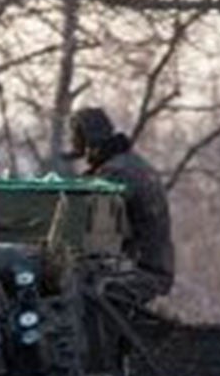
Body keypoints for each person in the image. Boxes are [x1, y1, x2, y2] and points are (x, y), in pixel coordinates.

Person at [69, 105, 173, 303]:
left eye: (77, 137)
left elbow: (98, 239)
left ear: (89, 139)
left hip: (142, 273)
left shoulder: (116, 173)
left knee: (80, 291)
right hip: (149, 269)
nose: (73, 143)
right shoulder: (127, 164)